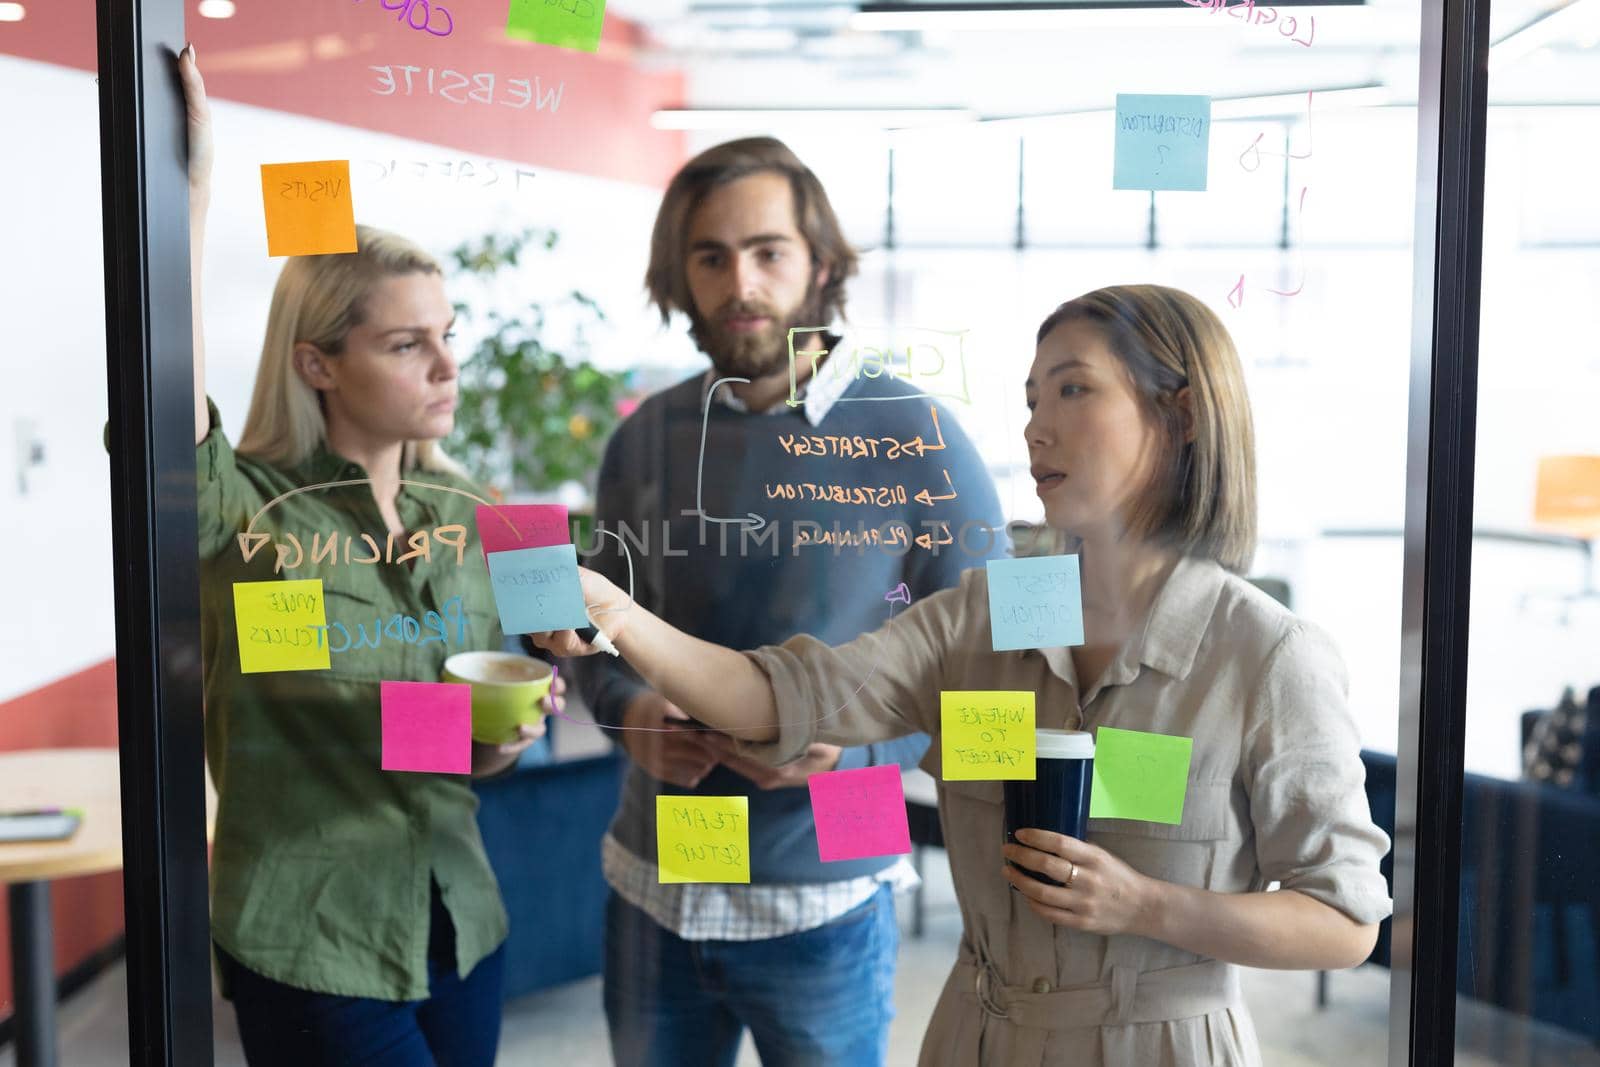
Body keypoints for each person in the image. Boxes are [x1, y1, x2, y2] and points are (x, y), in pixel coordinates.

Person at [544, 284, 1392, 1067]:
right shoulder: (993, 611)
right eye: (1030, 399)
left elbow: (1345, 918)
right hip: (976, 1035)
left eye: (1072, 390)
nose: (1035, 427)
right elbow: (778, 696)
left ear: (1182, 416)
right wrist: (619, 617)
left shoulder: (1267, 653)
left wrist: (1144, 905)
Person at [571, 136, 1006, 1066]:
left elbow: (999, 675)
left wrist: (858, 747)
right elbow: (593, 644)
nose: (742, 282)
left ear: (819, 266)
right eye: (712, 256)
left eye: (768, 251)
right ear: (679, 276)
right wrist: (637, 712)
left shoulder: (915, 435)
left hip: (833, 893)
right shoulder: (645, 437)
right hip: (657, 879)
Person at [180, 47, 548, 1066]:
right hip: (308, 931)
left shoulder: (472, 507)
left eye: (449, 333)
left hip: (459, 914)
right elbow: (164, 415)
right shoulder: (239, 509)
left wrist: (517, 722)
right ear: (317, 363)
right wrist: (192, 191)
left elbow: (536, 659)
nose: (447, 365)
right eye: (404, 344)